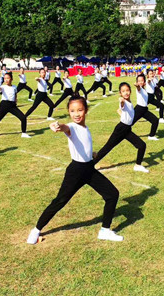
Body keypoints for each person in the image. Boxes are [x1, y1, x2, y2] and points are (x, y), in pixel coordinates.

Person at [26, 96, 123, 244]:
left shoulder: (85, 128)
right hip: (76, 171)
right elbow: (65, 127)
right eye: (72, 111)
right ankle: (36, 230)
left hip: (89, 170)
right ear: (69, 112)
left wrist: (92, 154)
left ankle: (105, 230)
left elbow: (83, 144)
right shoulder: (72, 127)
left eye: (80, 110)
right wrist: (57, 126)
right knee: (60, 201)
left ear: (86, 110)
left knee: (112, 194)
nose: (76, 114)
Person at [95, 82, 149, 173]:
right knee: (107, 147)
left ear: (130, 91)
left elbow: (125, 113)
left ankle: (138, 165)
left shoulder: (130, 102)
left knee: (142, 145)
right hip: (121, 129)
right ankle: (90, 165)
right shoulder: (124, 102)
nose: (126, 93)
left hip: (127, 130)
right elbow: (122, 106)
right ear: (120, 93)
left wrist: (121, 113)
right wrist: (121, 102)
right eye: (123, 91)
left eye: (127, 90)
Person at [0, 72, 30, 139]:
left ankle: (24, 133)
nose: (6, 80)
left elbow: (15, 94)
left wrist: (15, 100)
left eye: (8, 78)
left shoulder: (14, 87)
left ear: (11, 79)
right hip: (4, 105)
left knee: (23, 117)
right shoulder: (3, 87)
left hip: (12, 106)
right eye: (5, 78)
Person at [132, 74, 160, 141]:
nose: (140, 82)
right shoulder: (139, 89)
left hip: (144, 110)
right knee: (129, 123)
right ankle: (122, 133)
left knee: (155, 120)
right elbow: (138, 88)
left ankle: (151, 135)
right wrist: (137, 86)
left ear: (144, 82)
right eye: (139, 81)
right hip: (139, 109)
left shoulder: (144, 89)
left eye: (142, 80)